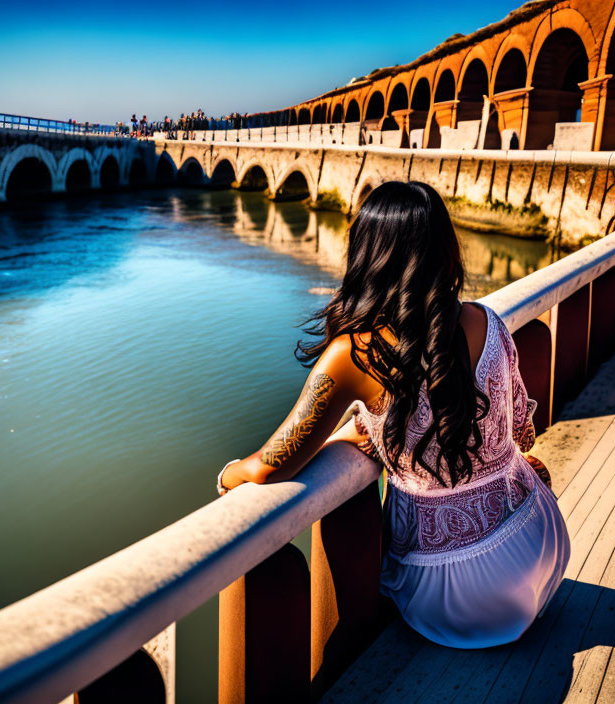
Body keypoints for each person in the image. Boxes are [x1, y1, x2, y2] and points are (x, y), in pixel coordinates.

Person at [217, 181, 570, 649]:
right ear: (445, 248)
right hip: (540, 541)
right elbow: (522, 435)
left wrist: (227, 476)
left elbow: (269, 466)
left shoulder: (356, 353)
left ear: (367, 256)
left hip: (463, 597)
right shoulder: (488, 321)